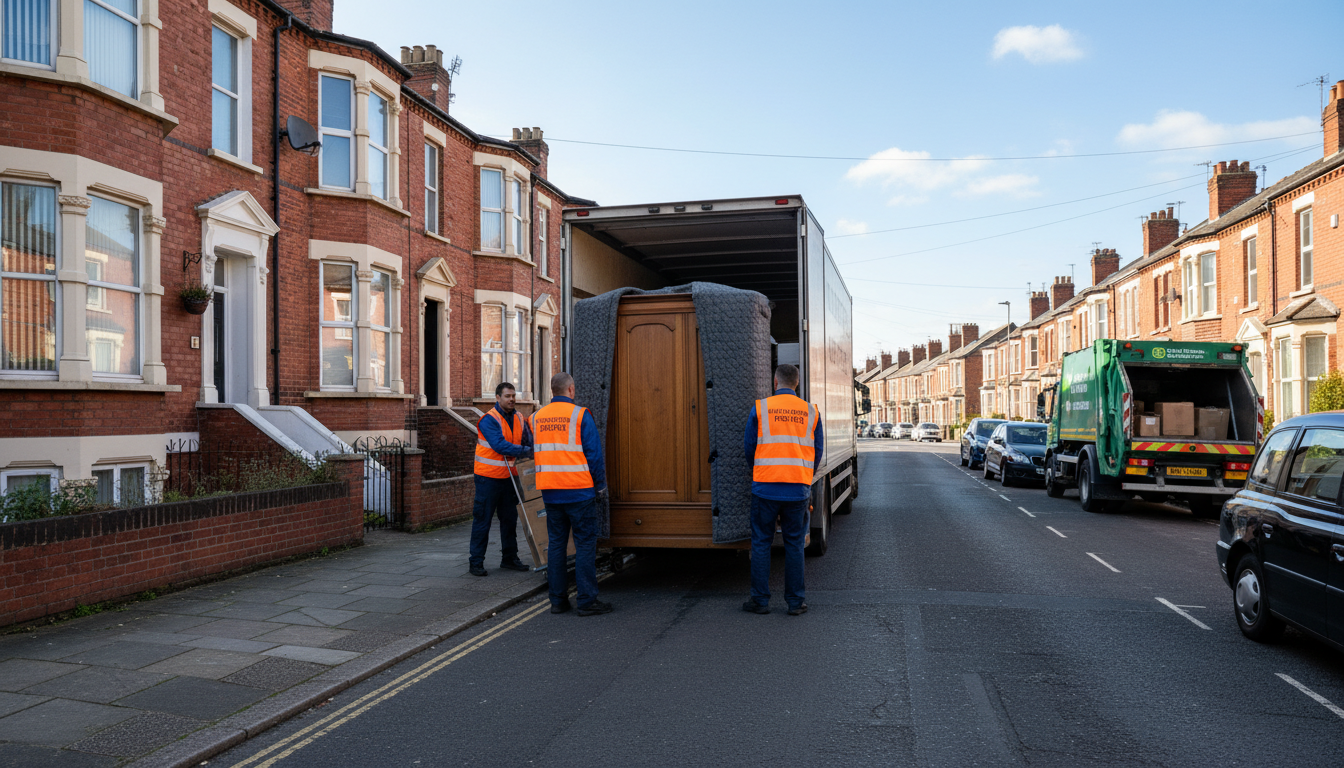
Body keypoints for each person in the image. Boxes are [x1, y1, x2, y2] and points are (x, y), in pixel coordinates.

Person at [742, 364, 824, 616]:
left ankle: (760, 601)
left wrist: (760, 472)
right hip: (797, 488)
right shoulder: (811, 412)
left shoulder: (761, 408)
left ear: (775, 383)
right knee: (794, 544)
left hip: (765, 486)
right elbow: (817, 451)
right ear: (796, 384)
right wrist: (803, 476)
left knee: (761, 542)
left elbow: (749, 447)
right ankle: (795, 602)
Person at [531, 372, 611, 616]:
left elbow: (532, 449)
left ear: (552, 391)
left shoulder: (535, 417)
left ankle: (558, 601)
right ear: (571, 390)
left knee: (556, 544)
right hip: (579, 490)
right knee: (585, 544)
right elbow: (594, 455)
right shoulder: (580, 415)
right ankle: (587, 600)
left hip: (550, 491)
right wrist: (600, 486)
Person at [469, 381, 533, 577]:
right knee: (483, 521)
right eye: (507, 396)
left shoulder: (520, 418)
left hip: (510, 478)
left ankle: (510, 559)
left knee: (509, 520)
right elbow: (500, 446)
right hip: (488, 479)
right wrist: (529, 451)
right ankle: (476, 562)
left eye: (513, 396)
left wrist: (531, 448)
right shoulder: (489, 420)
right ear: (498, 398)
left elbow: (528, 439)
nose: (512, 399)